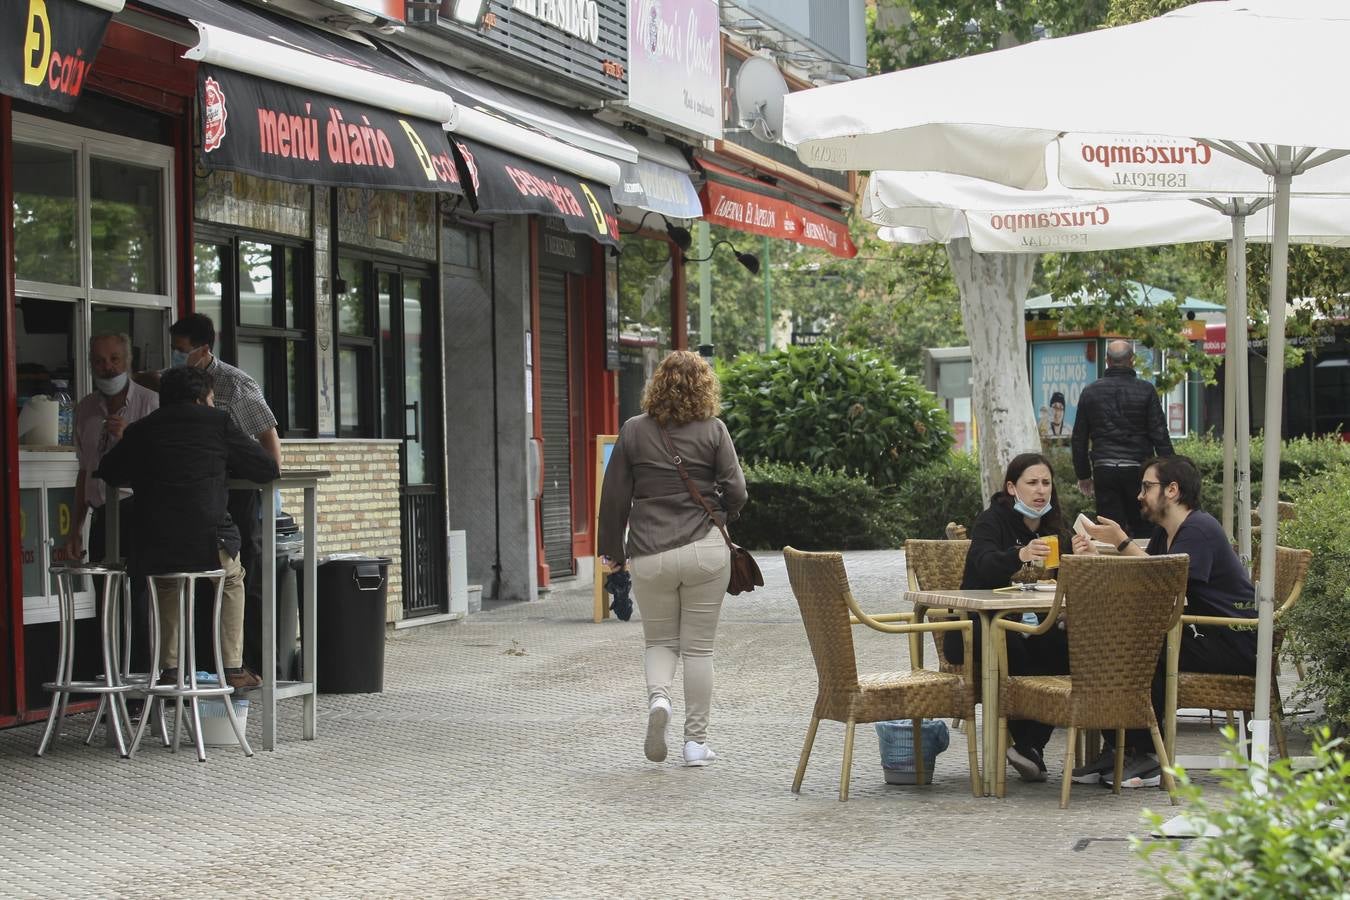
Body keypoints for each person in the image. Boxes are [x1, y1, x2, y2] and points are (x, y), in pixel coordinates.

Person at [597, 351, 747, 768]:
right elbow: (737, 491)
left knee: (660, 641)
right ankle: (695, 745)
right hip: (704, 548)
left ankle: (658, 700)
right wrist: (722, 515)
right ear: (705, 386)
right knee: (699, 650)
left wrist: (612, 552)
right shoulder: (715, 430)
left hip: (650, 551)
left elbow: (614, 500)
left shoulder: (633, 431)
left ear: (656, 384)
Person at [1071, 454, 1256, 788]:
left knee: (1144, 649)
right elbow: (1146, 578)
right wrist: (1097, 557)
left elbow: (1169, 581)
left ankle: (1148, 755)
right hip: (1204, 634)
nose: (1140, 495)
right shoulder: (1166, 533)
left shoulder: (1199, 529)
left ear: (1172, 490)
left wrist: (1122, 542)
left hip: (1236, 641)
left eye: (1147, 486)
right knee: (1110, 643)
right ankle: (1119, 749)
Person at [95, 367, 279, 689]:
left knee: (168, 585)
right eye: (209, 399)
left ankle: (170, 668)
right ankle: (233, 667)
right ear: (200, 398)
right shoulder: (218, 423)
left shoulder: (142, 428)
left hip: (155, 545)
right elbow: (265, 468)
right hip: (209, 540)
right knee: (233, 579)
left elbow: (109, 471)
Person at [947, 452, 1071, 783]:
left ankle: (1029, 746)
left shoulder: (1055, 524)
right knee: (1011, 649)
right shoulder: (993, 520)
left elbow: (1068, 574)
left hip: (1034, 624)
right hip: (977, 629)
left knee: (1063, 647)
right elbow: (983, 564)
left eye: (1046, 483)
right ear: (1012, 488)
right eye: (1032, 483)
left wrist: (1082, 555)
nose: (1040, 490)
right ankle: (1027, 746)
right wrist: (1020, 554)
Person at [169, 313, 281, 675]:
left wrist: (267, 482)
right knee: (203, 578)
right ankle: (205, 663)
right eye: (174, 350)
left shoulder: (235, 384)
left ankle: (251, 663)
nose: (176, 356)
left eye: (181, 350)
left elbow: (268, 439)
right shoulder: (176, 385)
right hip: (200, 493)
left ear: (203, 350)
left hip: (239, 490)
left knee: (244, 571)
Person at [67, 333, 160, 671]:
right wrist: (76, 529)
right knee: (105, 602)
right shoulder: (85, 409)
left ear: (128, 361)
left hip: (139, 512)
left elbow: (159, 467)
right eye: (99, 361)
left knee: (137, 602)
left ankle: (139, 688)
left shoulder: (150, 404)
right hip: (103, 515)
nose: (107, 367)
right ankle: (112, 684)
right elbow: (84, 472)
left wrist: (126, 440)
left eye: (114, 359)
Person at [1072, 340, 1173, 538]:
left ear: (1107, 361)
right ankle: (1145, 564)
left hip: (1104, 468)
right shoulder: (1146, 391)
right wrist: (1170, 470)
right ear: (1132, 360)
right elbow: (1159, 434)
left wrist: (1083, 474)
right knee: (1145, 526)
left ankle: (1114, 568)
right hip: (1139, 470)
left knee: (1111, 530)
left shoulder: (1090, 392)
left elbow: (1079, 438)